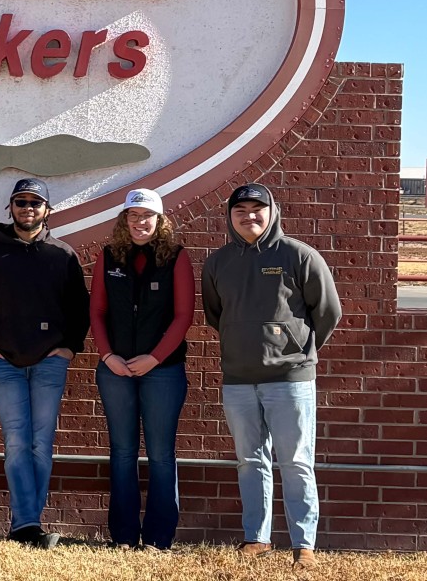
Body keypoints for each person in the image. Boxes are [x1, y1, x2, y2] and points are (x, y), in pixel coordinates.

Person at [203, 183, 341, 569]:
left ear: (272, 212)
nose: (249, 216)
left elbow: (327, 312)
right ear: (230, 217)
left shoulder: (299, 255)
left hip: (290, 380)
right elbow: (217, 315)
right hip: (238, 379)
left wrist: (296, 349)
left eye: (257, 209)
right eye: (240, 210)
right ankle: (257, 538)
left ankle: (304, 545)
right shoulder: (217, 263)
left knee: (296, 462)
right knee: (250, 460)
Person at [0, 177, 89, 549]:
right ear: (10, 208)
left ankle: (27, 523)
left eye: (35, 203)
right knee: (17, 441)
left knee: (41, 442)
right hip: (3, 361)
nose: (28, 208)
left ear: (47, 210)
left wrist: (69, 347)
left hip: (50, 361)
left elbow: (79, 308)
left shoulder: (62, 254)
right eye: (21, 202)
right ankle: (26, 524)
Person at [89, 189, 193, 550]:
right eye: (133, 216)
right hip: (114, 368)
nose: (140, 222)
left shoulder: (176, 258)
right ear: (124, 220)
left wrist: (155, 357)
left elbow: (183, 317)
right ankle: (123, 536)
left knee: (162, 454)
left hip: (163, 371)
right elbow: (97, 312)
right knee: (122, 452)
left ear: (160, 220)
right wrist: (107, 355)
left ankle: (159, 538)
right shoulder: (109, 257)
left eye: (147, 215)